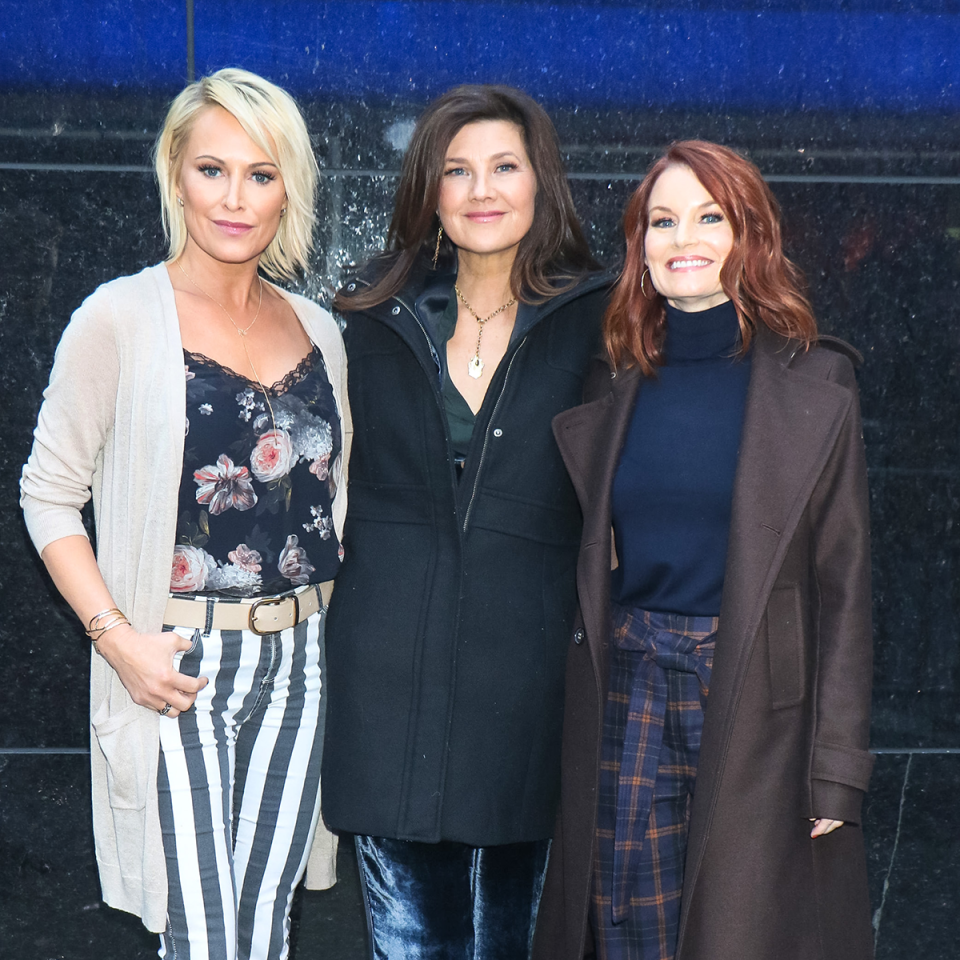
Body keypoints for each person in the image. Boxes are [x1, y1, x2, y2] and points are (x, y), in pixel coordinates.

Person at [20, 68, 351, 960]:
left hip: (304, 662)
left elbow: (332, 500)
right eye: (213, 170)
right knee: (205, 938)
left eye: (261, 173)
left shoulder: (322, 332)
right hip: (179, 661)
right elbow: (48, 494)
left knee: (266, 930)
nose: (235, 198)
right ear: (174, 173)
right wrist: (117, 638)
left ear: (290, 188)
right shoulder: (120, 319)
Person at [533, 141, 874, 960]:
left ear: (747, 234)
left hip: (761, 703)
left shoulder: (818, 382)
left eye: (709, 217)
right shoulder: (611, 379)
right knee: (626, 928)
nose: (682, 237)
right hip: (631, 687)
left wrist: (835, 767)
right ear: (639, 244)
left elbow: (846, 584)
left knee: (738, 933)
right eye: (662, 220)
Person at [322, 84, 607, 959]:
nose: (482, 189)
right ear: (431, 193)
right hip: (387, 691)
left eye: (504, 166)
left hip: (530, 699)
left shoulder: (604, 321)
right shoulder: (364, 321)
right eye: (457, 170)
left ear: (540, 182)